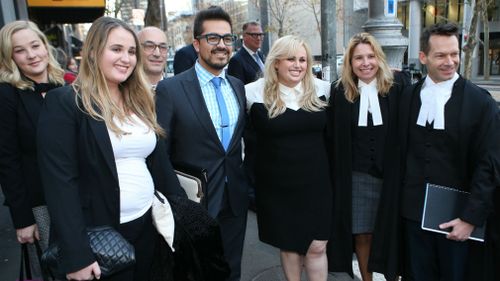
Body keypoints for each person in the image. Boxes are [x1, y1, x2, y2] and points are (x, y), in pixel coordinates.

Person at [37, 17, 186, 281]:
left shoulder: (139, 100)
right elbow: (60, 183)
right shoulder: (66, 102)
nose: (126, 58)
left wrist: (183, 216)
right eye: (116, 49)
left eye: (131, 52)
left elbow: (157, 162)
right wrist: (77, 254)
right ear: (93, 52)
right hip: (98, 237)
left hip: (148, 225)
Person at [399, 22, 499, 281]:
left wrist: (470, 218)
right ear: (423, 57)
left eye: (454, 54)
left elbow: (489, 165)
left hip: (458, 221)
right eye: (440, 55)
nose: (450, 61)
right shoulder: (408, 97)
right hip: (412, 217)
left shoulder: (480, 102)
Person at [155, 6, 249, 281]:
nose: (222, 45)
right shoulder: (171, 90)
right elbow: (161, 152)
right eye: (213, 38)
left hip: (235, 200)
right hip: (193, 203)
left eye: (228, 38)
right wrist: (176, 201)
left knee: (231, 269)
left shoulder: (237, 86)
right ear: (196, 44)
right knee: (194, 273)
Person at [245, 35, 331, 281]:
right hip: (277, 187)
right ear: (276, 63)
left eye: (302, 60)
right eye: (291, 59)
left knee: (317, 246)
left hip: (318, 184)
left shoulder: (323, 89)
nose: (298, 65)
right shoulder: (252, 92)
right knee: (290, 245)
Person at [326, 32, 409, 281]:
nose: (365, 63)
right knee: (362, 234)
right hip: (358, 177)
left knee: (391, 233)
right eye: (358, 58)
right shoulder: (340, 92)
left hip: (392, 176)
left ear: (379, 58)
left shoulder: (398, 86)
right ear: (350, 63)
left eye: (371, 56)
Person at [0, 20, 64, 275]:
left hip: (78, 197)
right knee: (52, 270)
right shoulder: (7, 94)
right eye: (20, 50)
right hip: (40, 204)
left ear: (45, 46)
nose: (31, 55)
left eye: (35, 45)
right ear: (10, 57)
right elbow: (7, 159)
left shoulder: (66, 86)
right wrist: (23, 219)